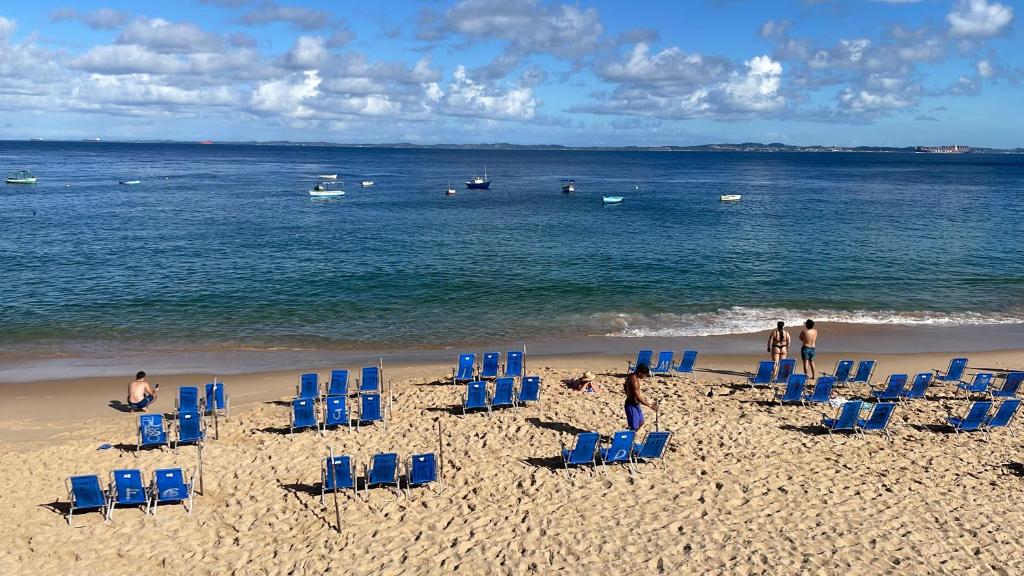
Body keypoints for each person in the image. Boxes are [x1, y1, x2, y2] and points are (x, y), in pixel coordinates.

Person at [623, 363, 658, 431]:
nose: (645, 377)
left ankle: (633, 434)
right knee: (634, 426)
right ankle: (631, 435)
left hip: (636, 403)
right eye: (644, 375)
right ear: (640, 373)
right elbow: (637, 397)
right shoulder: (634, 381)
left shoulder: (631, 375)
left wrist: (628, 393)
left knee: (641, 422)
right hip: (631, 404)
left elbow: (624, 386)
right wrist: (650, 405)